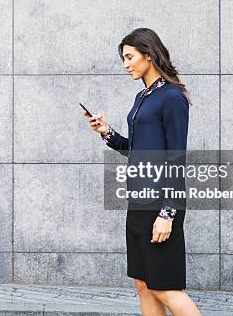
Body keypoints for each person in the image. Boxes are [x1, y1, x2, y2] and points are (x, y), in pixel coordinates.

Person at [84, 28, 201, 316]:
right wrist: (107, 133)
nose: (126, 64)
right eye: (123, 58)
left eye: (129, 57)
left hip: (161, 203)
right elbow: (137, 149)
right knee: (144, 284)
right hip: (138, 201)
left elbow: (176, 157)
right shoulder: (142, 97)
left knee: (165, 287)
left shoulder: (172, 97)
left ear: (148, 54)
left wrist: (168, 212)